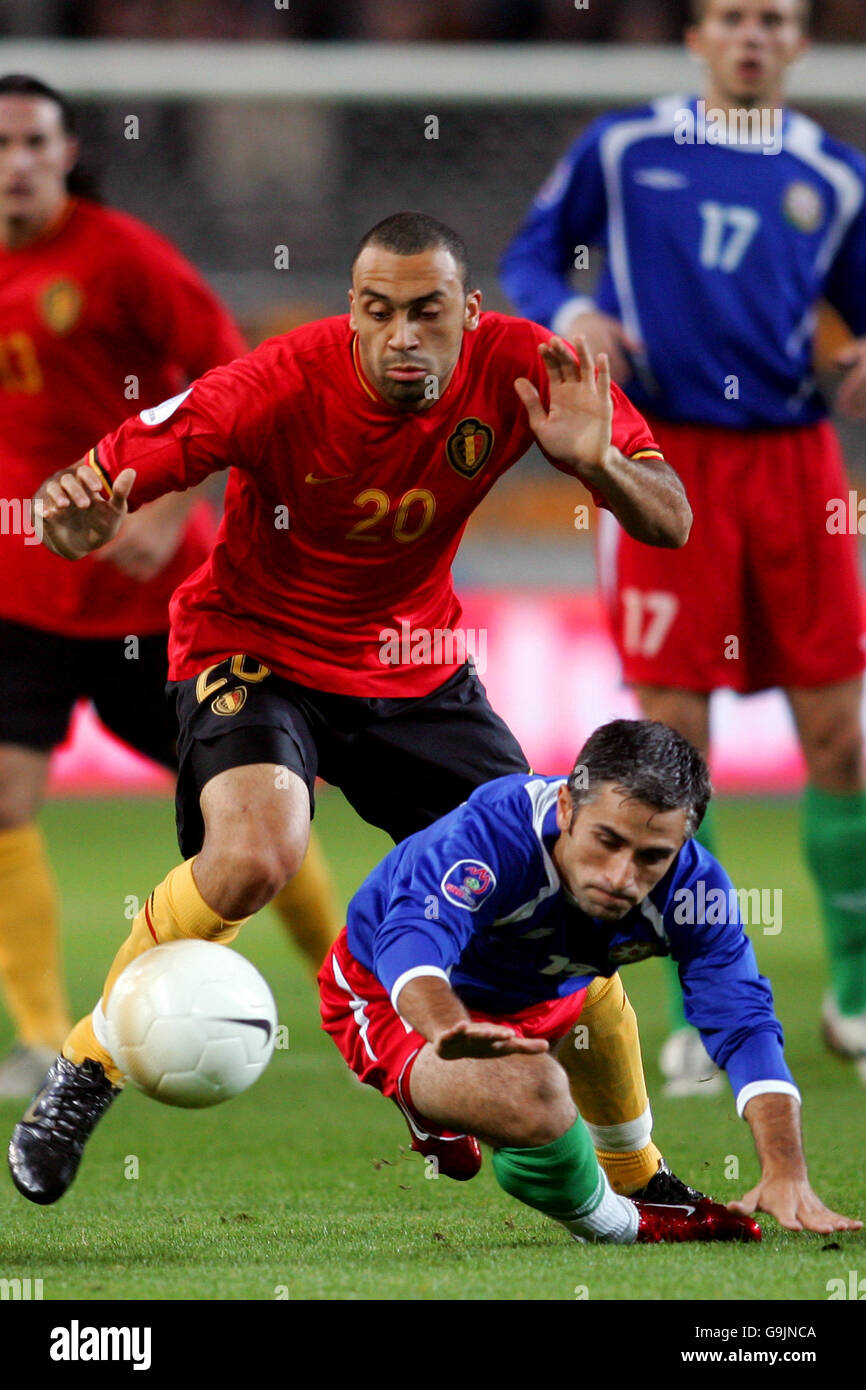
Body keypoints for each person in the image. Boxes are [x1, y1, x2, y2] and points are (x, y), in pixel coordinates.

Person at [9, 210, 694, 1207]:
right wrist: (75, 516)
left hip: (414, 670)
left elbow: (668, 518)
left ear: (469, 312)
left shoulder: (528, 366)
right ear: (351, 313)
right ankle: (84, 1071)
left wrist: (597, 464)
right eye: (377, 313)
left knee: (556, 891)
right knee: (252, 856)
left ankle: (643, 1178)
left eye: (424, 313)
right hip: (252, 647)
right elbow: (115, 472)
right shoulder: (281, 379)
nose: (400, 337)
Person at [500, 0, 866, 1092]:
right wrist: (570, 306)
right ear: (695, 37)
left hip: (794, 463)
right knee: (668, 749)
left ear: (798, 44)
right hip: (661, 459)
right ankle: (687, 1009)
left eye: (772, 18)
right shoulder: (622, 147)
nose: (749, 34)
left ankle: (850, 986)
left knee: (838, 734)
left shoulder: (833, 177)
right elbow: (530, 258)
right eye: (727, 15)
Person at [0, 74, 341, 1096]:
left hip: (152, 600)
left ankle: (346, 982)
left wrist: (161, 509)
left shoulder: (122, 260)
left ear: (67, 155)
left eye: (33, 143)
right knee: (4, 798)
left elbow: (228, 373)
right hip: (20, 585)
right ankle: (41, 1033)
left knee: (251, 811)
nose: (14, 162)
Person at [320, 718, 861, 1242]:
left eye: (652, 857)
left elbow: (742, 1021)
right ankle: (629, 1226)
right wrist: (445, 1027)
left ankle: (640, 1178)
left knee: (597, 987)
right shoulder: (492, 835)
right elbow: (410, 941)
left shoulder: (696, 892)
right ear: (565, 807)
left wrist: (785, 1167)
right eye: (607, 840)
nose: (621, 877)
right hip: (393, 998)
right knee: (538, 1094)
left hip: (543, 986)